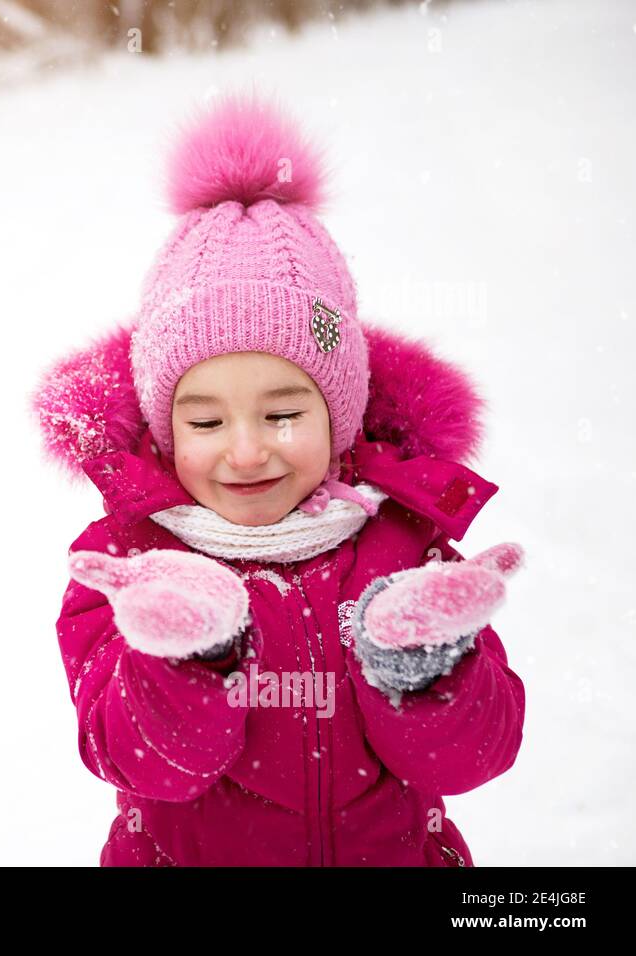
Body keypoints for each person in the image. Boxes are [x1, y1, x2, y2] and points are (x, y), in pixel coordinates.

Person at [31, 89, 525, 866]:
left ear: (343, 413)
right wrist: (188, 655)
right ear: (166, 429)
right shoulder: (128, 566)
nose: (247, 451)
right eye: (204, 422)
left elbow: (473, 759)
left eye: (284, 414)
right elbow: (138, 762)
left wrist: (423, 666)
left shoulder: (403, 546)